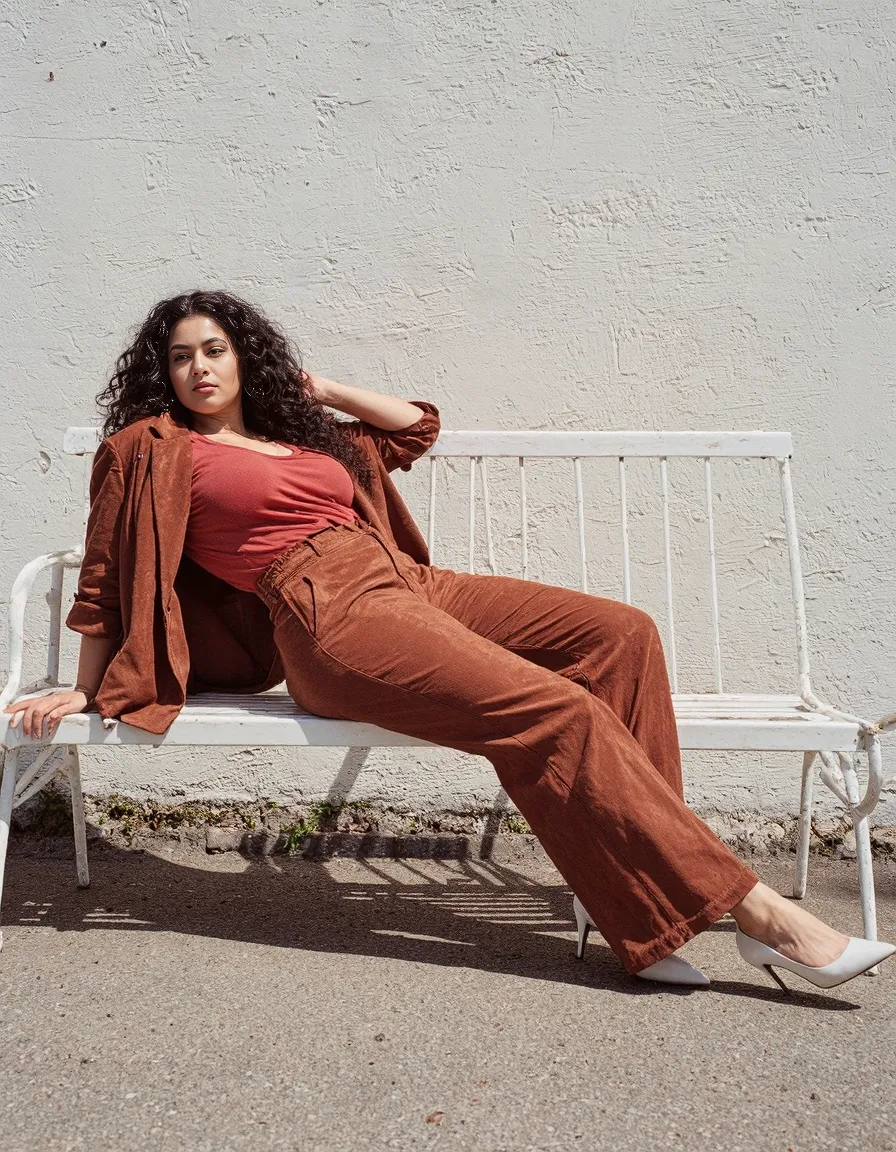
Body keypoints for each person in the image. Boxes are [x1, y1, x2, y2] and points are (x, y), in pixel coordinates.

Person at [6, 290, 893, 992]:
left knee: (623, 636)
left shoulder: (300, 434)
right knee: (558, 712)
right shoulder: (148, 449)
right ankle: (763, 918)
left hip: (405, 582)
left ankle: (643, 909)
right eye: (180, 356)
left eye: (215, 349)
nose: (198, 368)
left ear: (245, 356)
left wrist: (315, 389)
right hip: (325, 610)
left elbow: (416, 427)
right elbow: (105, 574)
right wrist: (85, 687)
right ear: (162, 375)